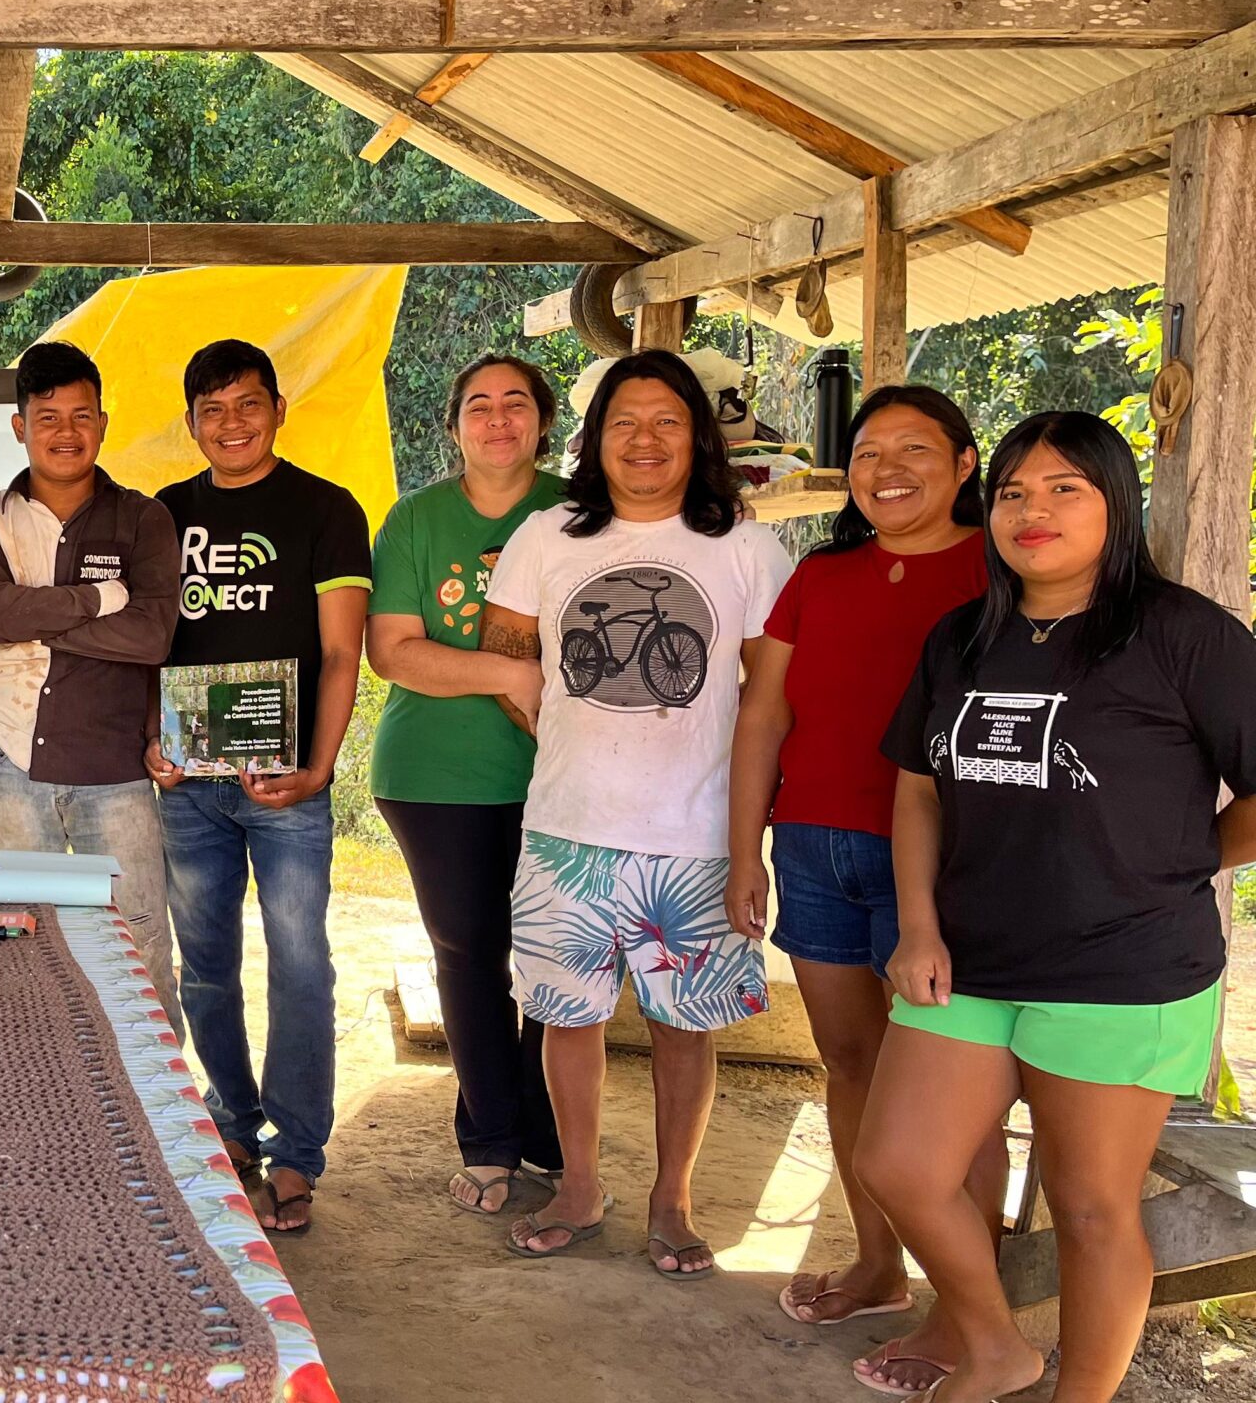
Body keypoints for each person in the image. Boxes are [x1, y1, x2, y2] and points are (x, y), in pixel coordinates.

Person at [860, 412, 1256, 1403]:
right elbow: (915, 787)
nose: (1031, 511)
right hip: (968, 956)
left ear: (1114, 503)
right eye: (1010, 492)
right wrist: (916, 926)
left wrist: (1182, 861)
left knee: (1089, 1209)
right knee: (899, 1165)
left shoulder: (1185, 635)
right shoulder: (962, 636)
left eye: (1062, 488)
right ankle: (995, 1346)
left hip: (1121, 970)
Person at [480, 347, 792, 1275]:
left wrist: (749, 850)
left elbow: (766, 705)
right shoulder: (549, 537)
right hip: (566, 831)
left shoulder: (746, 547)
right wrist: (564, 738)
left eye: (665, 421)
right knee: (565, 1018)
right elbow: (511, 657)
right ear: (593, 440)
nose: (644, 440)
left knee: (681, 1023)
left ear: (697, 436)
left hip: (693, 838)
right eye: (624, 423)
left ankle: (673, 1198)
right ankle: (580, 1184)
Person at [723, 387, 1011, 1373]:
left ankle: (972, 1312)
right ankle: (880, 1264)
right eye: (868, 451)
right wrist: (741, 851)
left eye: (916, 448)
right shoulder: (820, 574)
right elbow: (763, 715)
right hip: (813, 845)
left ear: (966, 463)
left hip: (944, 860)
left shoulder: (1003, 566)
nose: (888, 468)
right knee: (848, 1064)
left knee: (954, 1093)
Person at [150, 339, 371, 1236]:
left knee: (300, 964)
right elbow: (145, 647)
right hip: (190, 788)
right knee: (203, 968)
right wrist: (149, 743)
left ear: (280, 409)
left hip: (287, 787)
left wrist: (317, 768)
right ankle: (233, 1126)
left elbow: (342, 652)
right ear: (192, 423)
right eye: (212, 410)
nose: (230, 424)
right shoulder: (164, 513)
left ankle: (298, 1153)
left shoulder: (325, 509)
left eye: (248, 404)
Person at [365, 354, 567, 1216]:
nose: (496, 419)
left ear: (542, 422)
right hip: (435, 776)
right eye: (477, 405)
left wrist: (494, 671)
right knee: (471, 958)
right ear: (453, 427)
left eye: (514, 403)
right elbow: (394, 651)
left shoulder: (580, 514)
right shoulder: (416, 519)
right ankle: (489, 1140)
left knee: (561, 960)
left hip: (570, 776)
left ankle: (551, 1133)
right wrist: (509, 675)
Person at [0, 342, 182, 1024]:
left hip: (114, 773)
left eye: (81, 416)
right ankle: (35, 1101)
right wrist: (99, 597)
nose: (66, 432)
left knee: (138, 946)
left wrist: (31, 617)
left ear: (103, 424)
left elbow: (151, 636)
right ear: (20, 426)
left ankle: (158, 1114)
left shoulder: (144, 518)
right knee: (18, 945)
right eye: (48, 417)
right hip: (9, 767)